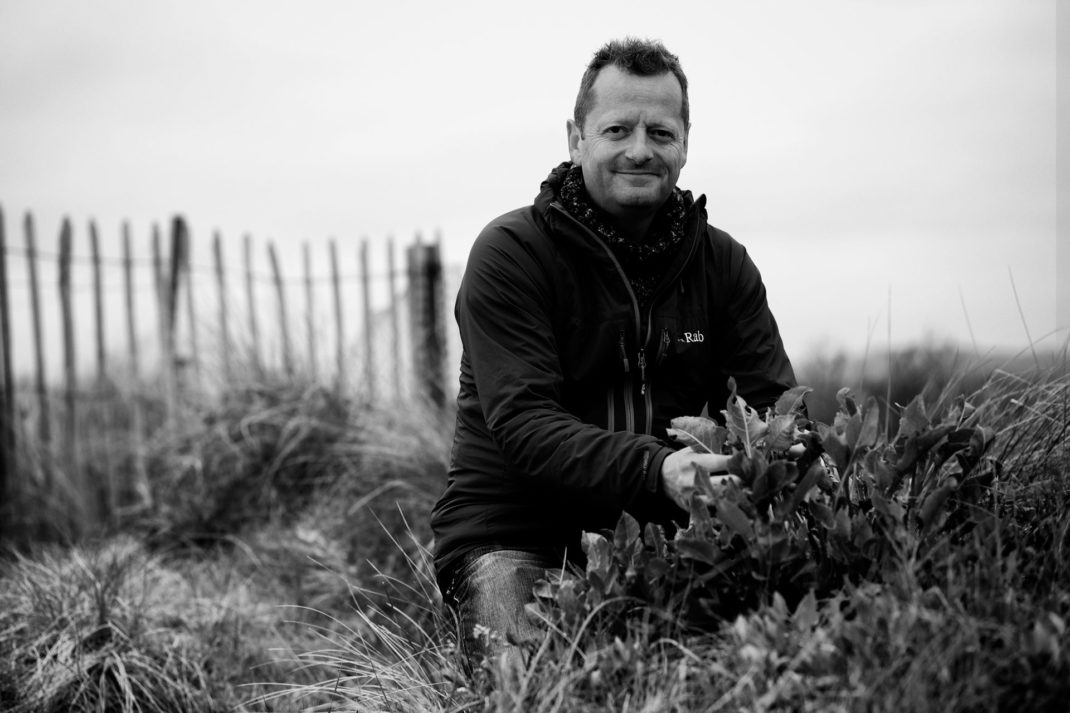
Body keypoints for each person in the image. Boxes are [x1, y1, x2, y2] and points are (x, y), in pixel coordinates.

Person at [430, 37, 798, 667]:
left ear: (685, 141)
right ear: (576, 138)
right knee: (533, 692)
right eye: (617, 129)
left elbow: (778, 411)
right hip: (515, 537)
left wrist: (788, 452)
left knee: (760, 671)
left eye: (660, 131)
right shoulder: (511, 254)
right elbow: (527, 427)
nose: (639, 149)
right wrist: (660, 472)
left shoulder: (724, 263)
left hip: (673, 538)